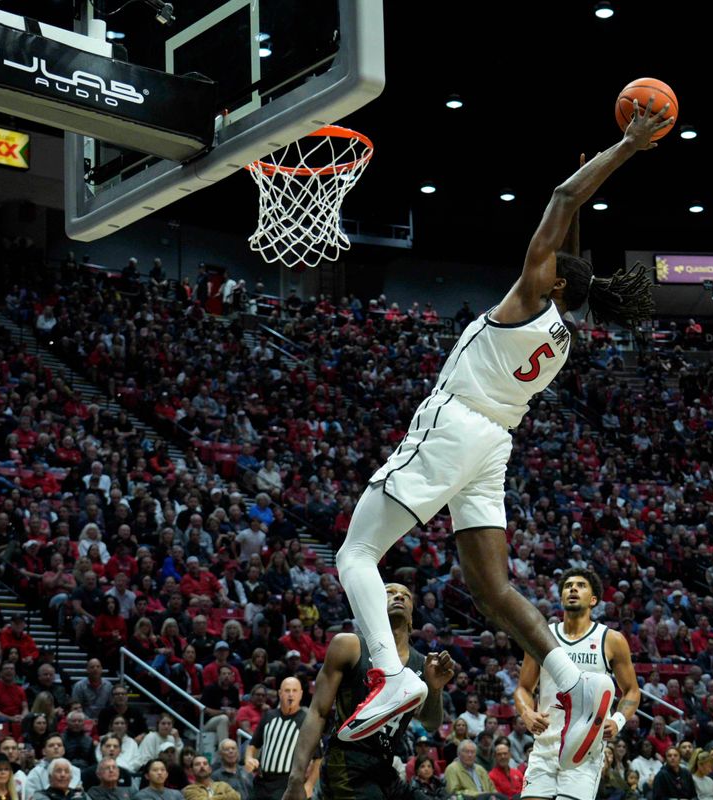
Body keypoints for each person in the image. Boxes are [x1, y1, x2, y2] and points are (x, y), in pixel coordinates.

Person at [333, 101, 670, 762]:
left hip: (454, 425)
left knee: (355, 553)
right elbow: (567, 242)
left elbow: (561, 197)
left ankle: (389, 674)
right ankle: (576, 683)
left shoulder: (527, 298)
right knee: (492, 588)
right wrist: (577, 219)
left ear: (549, 279)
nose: (532, 262)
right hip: (493, 444)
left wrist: (625, 146)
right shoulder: (564, 332)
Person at [282, 585, 451, 800]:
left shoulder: (422, 663)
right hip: (346, 761)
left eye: (406, 595)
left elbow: (430, 723)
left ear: (411, 617)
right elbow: (317, 712)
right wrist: (296, 778)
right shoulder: (349, 645)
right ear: (374, 606)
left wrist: (435, 689)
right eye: (389, 593)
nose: (399, 596)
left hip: (384, 768)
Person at [515, 569, 640, 800]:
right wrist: (526, 713)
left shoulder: (611, 639)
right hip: (544, 746)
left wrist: (618, 720)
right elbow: (523, 687)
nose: (573, 588)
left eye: (581, 585)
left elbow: (632, 690)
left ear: (593, 600)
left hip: (585, 751)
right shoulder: (542, 637)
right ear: (561, 597)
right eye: (568, 586)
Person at [245, 679, 307, 800]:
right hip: (262, 780)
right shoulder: (269, 716)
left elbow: (317, 758)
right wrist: (248, 758)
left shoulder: (305, 721)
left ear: (301, 694)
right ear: (280, 693)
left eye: (294, 691)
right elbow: (253, 744)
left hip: (286, 783)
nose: (291, 694)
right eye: (287, 690)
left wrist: (309, 785)